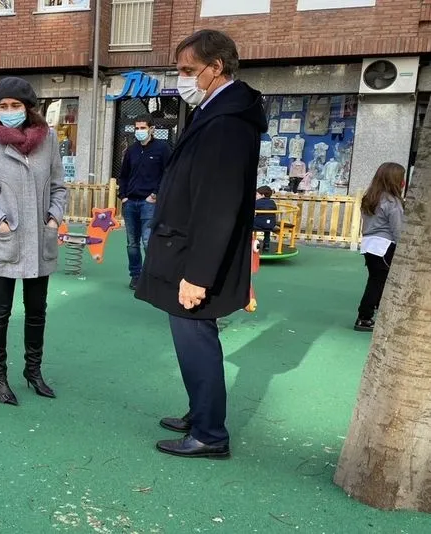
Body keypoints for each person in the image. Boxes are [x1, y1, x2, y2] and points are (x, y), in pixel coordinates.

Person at [133, 29, 268, 459]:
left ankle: (210, 434)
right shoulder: (216, 111)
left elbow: (218, 204)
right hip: (185, 249)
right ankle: (200, 413)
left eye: (189, 70)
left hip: (193, 257)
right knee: (190, 340)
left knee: (196, 340)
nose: (183, 79)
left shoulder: (226, 121)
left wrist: (198, 275)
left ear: (216, 67)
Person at [0, 76, 69, 406]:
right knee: (1, 311)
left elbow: (59, 187)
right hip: (4, 240)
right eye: (3, 106)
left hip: (39, 240)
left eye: (15, 105)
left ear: (29, 108)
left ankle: (33, 371)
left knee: (37, 310)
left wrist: (53, 218)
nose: (8, 111)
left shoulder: (48, 139)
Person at [118, 113, 172, 289]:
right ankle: (136, 276)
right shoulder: (131, 150)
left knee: (148, 241)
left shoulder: (162, 149)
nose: (139, 131)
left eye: (143, 128)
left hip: (149, 203)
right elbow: (123, 175)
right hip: (130, 203)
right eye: (137, 128)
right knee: (132, 244)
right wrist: (123, 196)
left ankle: (153, 276)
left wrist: (155, 194)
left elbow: (169, 173)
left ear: (152, 129)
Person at [354, 162, 405, 332]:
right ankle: (365, 317)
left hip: (369, 244)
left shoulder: (371, 198)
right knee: (378, 282)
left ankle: (370, 313)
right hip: (385, 245)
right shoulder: (392, 201)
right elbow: (398, 229)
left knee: (375, 280)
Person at [254, 186, 278, 252]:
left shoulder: (257, 202)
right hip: (271, 224)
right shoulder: (272, 202)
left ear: (263, 195)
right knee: (267, 229)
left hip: (259, 224)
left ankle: (250, 242)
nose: (256, 196)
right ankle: (266, 245)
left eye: (257, 194)